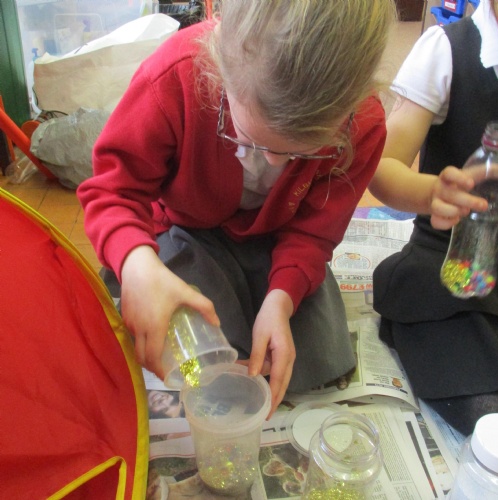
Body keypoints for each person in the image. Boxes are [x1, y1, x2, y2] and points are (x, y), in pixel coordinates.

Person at [77, 0, 395, 415]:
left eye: (301, 152)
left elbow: (313, 233)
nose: (274, 163)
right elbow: (113, 192)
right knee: (207, 352)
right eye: (250, 139)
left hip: (275, 241)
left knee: (315, 355)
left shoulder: (364, 122)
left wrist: (281, 299)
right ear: (221, 68)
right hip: (185, 231)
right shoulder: (176, 75)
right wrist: (137, 265)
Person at [368, 0, 498, 436]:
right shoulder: (447, 50)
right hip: (449, 260)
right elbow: (383, 166)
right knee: (482, 405)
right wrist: (431, 193)